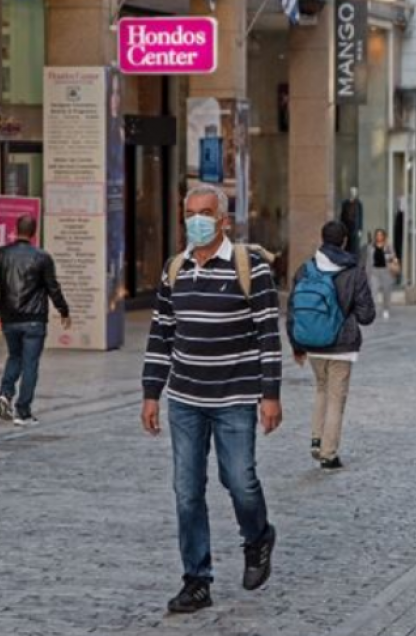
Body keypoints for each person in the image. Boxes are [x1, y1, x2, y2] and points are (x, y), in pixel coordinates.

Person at [141, 184, 283, 614]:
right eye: (190, 213)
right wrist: (151, 394)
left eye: (205, 213)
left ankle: (257, 536)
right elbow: (161, 335)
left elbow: (268, 335)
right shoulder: (174, 269)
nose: (196, 221)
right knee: (186, 491)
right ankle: (196, 579)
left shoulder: (250, 268)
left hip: (235, 397)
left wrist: (270, 395)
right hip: (184, 399)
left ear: (224, 220)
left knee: (239, 481)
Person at [287, 221, 375, 470]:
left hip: (312, 343)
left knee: (321, 390)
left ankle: (316, 439)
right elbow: (367, 315)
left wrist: (297, 345)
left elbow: (293, 310)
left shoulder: (305, 269)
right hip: (342, 345)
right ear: (345, 241)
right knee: (336, 398)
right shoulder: (354, 270)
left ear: (322, 239)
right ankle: (328, 453)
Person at [0, 215, 71, 426]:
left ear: (15, 230)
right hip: (34, 320)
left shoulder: (0, 254)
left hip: (10, 318)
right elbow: (53, 287)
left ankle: (5, 393)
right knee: (30, 363)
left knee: (14, 356)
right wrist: (64, 310)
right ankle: (22, 411)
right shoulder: (42, 257)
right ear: (34, 232)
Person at [366, 229, 398, 320]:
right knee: (373, 291)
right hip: (374, 271)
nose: (379, 237)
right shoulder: (370, 247)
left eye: (381, 235)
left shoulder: (388, 246)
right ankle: (373, 310)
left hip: (386, 271)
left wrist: (389, 257)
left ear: (384, 236)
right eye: (377, 235)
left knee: (386, 292)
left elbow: (393, 257)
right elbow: (368, 261)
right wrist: (367, 273)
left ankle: (386, 309)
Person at [340, 187, 364, 256]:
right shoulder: (345, 203)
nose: (353, 193)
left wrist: (360, 229)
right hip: (346, 227)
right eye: (352, 192)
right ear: (349, 192)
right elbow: (342, 216)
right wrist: (341, 228)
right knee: (347, 244)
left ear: (356, 193)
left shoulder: (359, 203)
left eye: (355, 192)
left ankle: (355, 259)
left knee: (355, 245)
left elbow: (361, 216)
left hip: (355, 227)